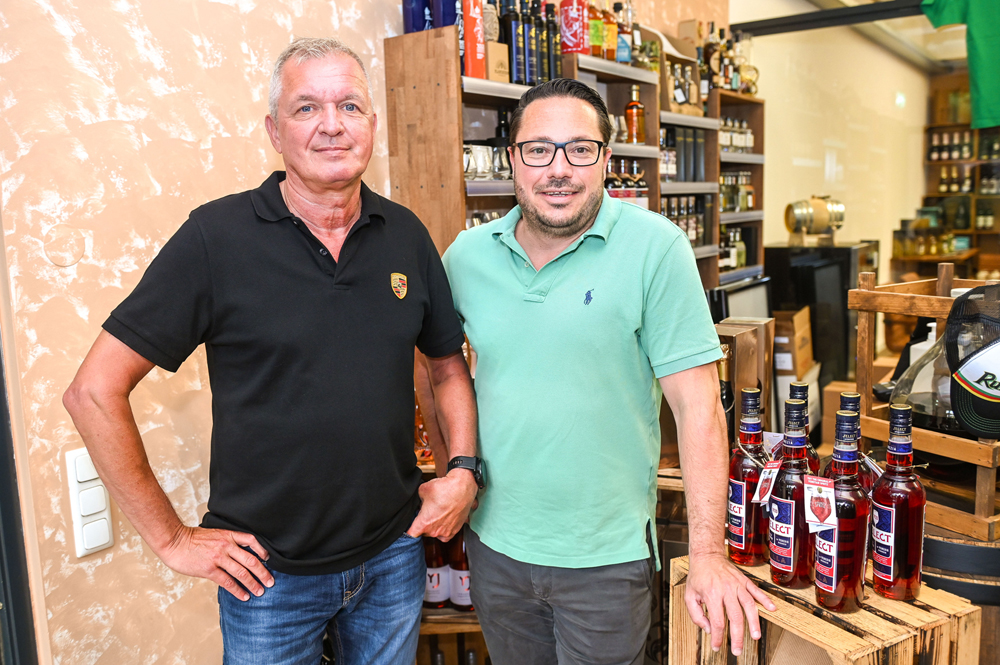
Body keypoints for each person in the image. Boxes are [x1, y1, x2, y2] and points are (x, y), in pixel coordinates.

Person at [62, 38, 480, 665]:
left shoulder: (406, 235)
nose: (332, 124)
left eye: (349, 106)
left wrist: (461, 470)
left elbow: (445, 366)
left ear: (372, 123)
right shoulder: (215, 238)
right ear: (274, 131)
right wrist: (172, 540)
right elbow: (93, 391)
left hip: (393, 556)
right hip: (267, 579)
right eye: (307, 107)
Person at [440, 78, 776, 665]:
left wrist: (708, 553)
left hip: (607, 560)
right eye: (539, 150)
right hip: (494, 546)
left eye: (580, 149)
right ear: (513, 159)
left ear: (606, 160)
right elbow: (442, 372)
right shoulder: (466, 256)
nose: (559, 169)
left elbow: (698, 406)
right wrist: (457, 467)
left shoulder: (656, 249)